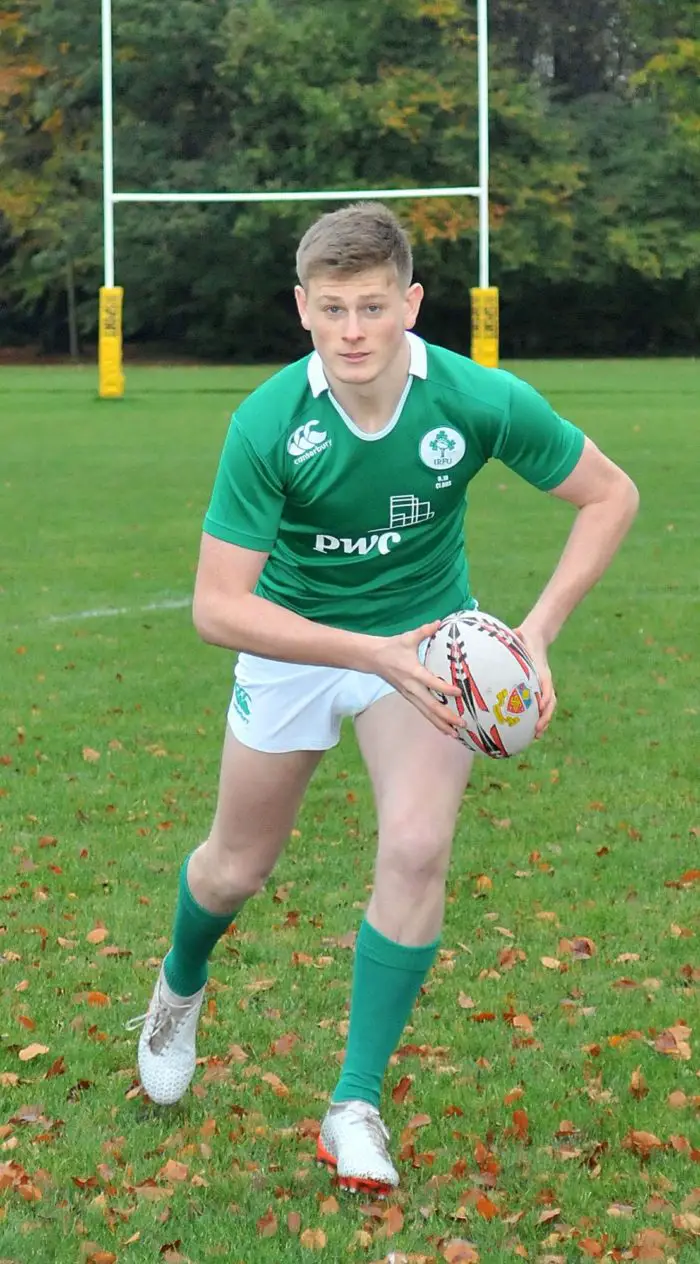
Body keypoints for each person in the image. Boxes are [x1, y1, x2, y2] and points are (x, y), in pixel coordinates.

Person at [129, 202, 639, 1196]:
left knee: (415, 846)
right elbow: (216, 608)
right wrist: (366, 652)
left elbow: (610, 493)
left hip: (429, 638)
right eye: (332, 309)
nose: (354, 329)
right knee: (235, 867)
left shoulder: (474, 400)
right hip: (295, 642)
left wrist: (532, 633)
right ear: (302, 311)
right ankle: (178, 988)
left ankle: (352, 1105)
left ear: (409, 302)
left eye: (372, 305)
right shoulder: (273, 421)